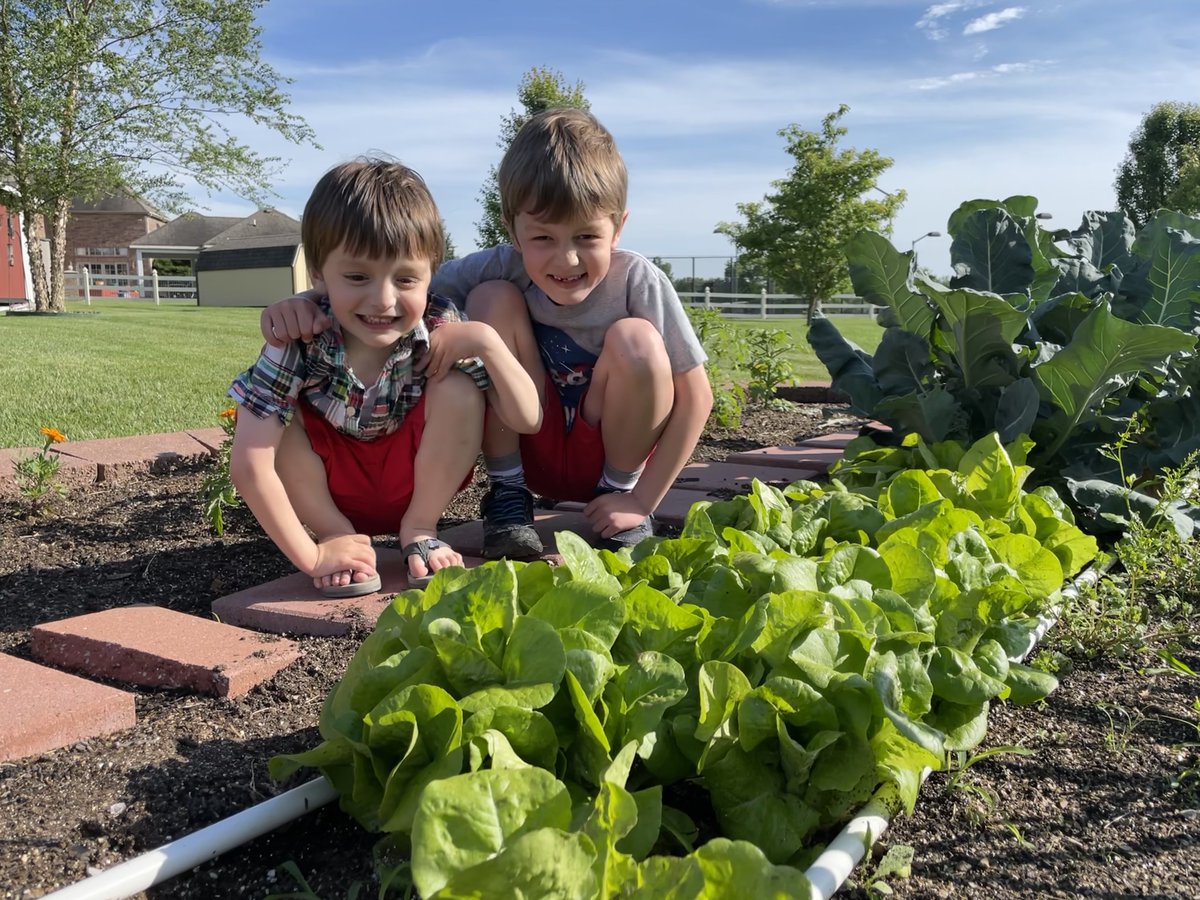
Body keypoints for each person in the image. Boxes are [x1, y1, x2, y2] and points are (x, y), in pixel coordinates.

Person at [260, 110, 713, 559]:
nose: (567, 259)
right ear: (512, 228)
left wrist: (642, 500)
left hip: (609, 451)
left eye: (587, 237)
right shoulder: (498, 267)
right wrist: (309, 301)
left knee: (637, 339)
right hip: (527, 440)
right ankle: (508, 493)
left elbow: (696, 396)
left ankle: (619, 494)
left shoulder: (637, 280)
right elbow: (399, 286)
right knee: (492, 298)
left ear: (618, 227)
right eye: (543, 238)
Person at [229, 158, 540, 597]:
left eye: (406, 278)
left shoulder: (439, 324)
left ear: (431, 274)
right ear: (318, 273)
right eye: (357, 276)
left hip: (415, 485)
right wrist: (311, 556)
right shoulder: (296, 339)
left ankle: (420, 528)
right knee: (278, 412)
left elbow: (527, 419)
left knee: (459, 386)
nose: (382, 299)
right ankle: (336, 535)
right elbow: (250, 464)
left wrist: (487, 342)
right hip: (327, 494)